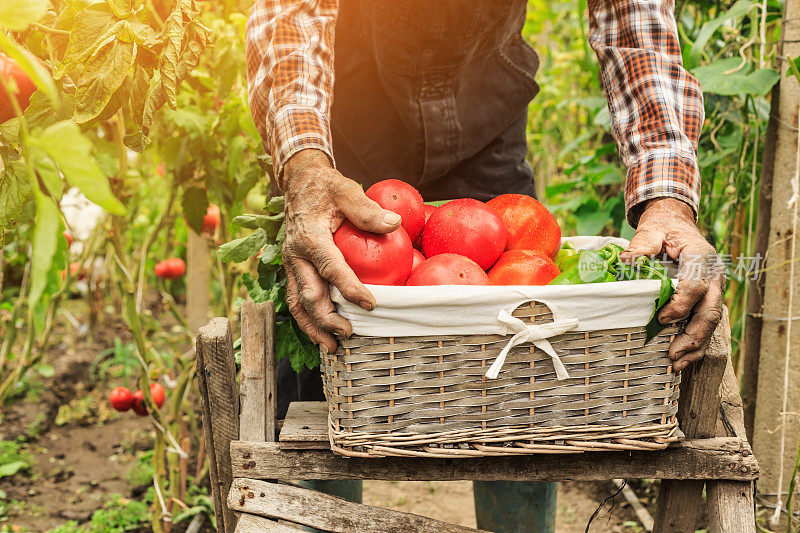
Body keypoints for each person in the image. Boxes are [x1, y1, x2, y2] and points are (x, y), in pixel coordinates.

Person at [245, 1, 724, 531]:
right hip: (341, 134)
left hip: (484, 118)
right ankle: (318, 517)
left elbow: (635, 25)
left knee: (523, 357)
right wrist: (305, 167)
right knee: (325, 346)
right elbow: (291, 14)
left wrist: (668, 202)